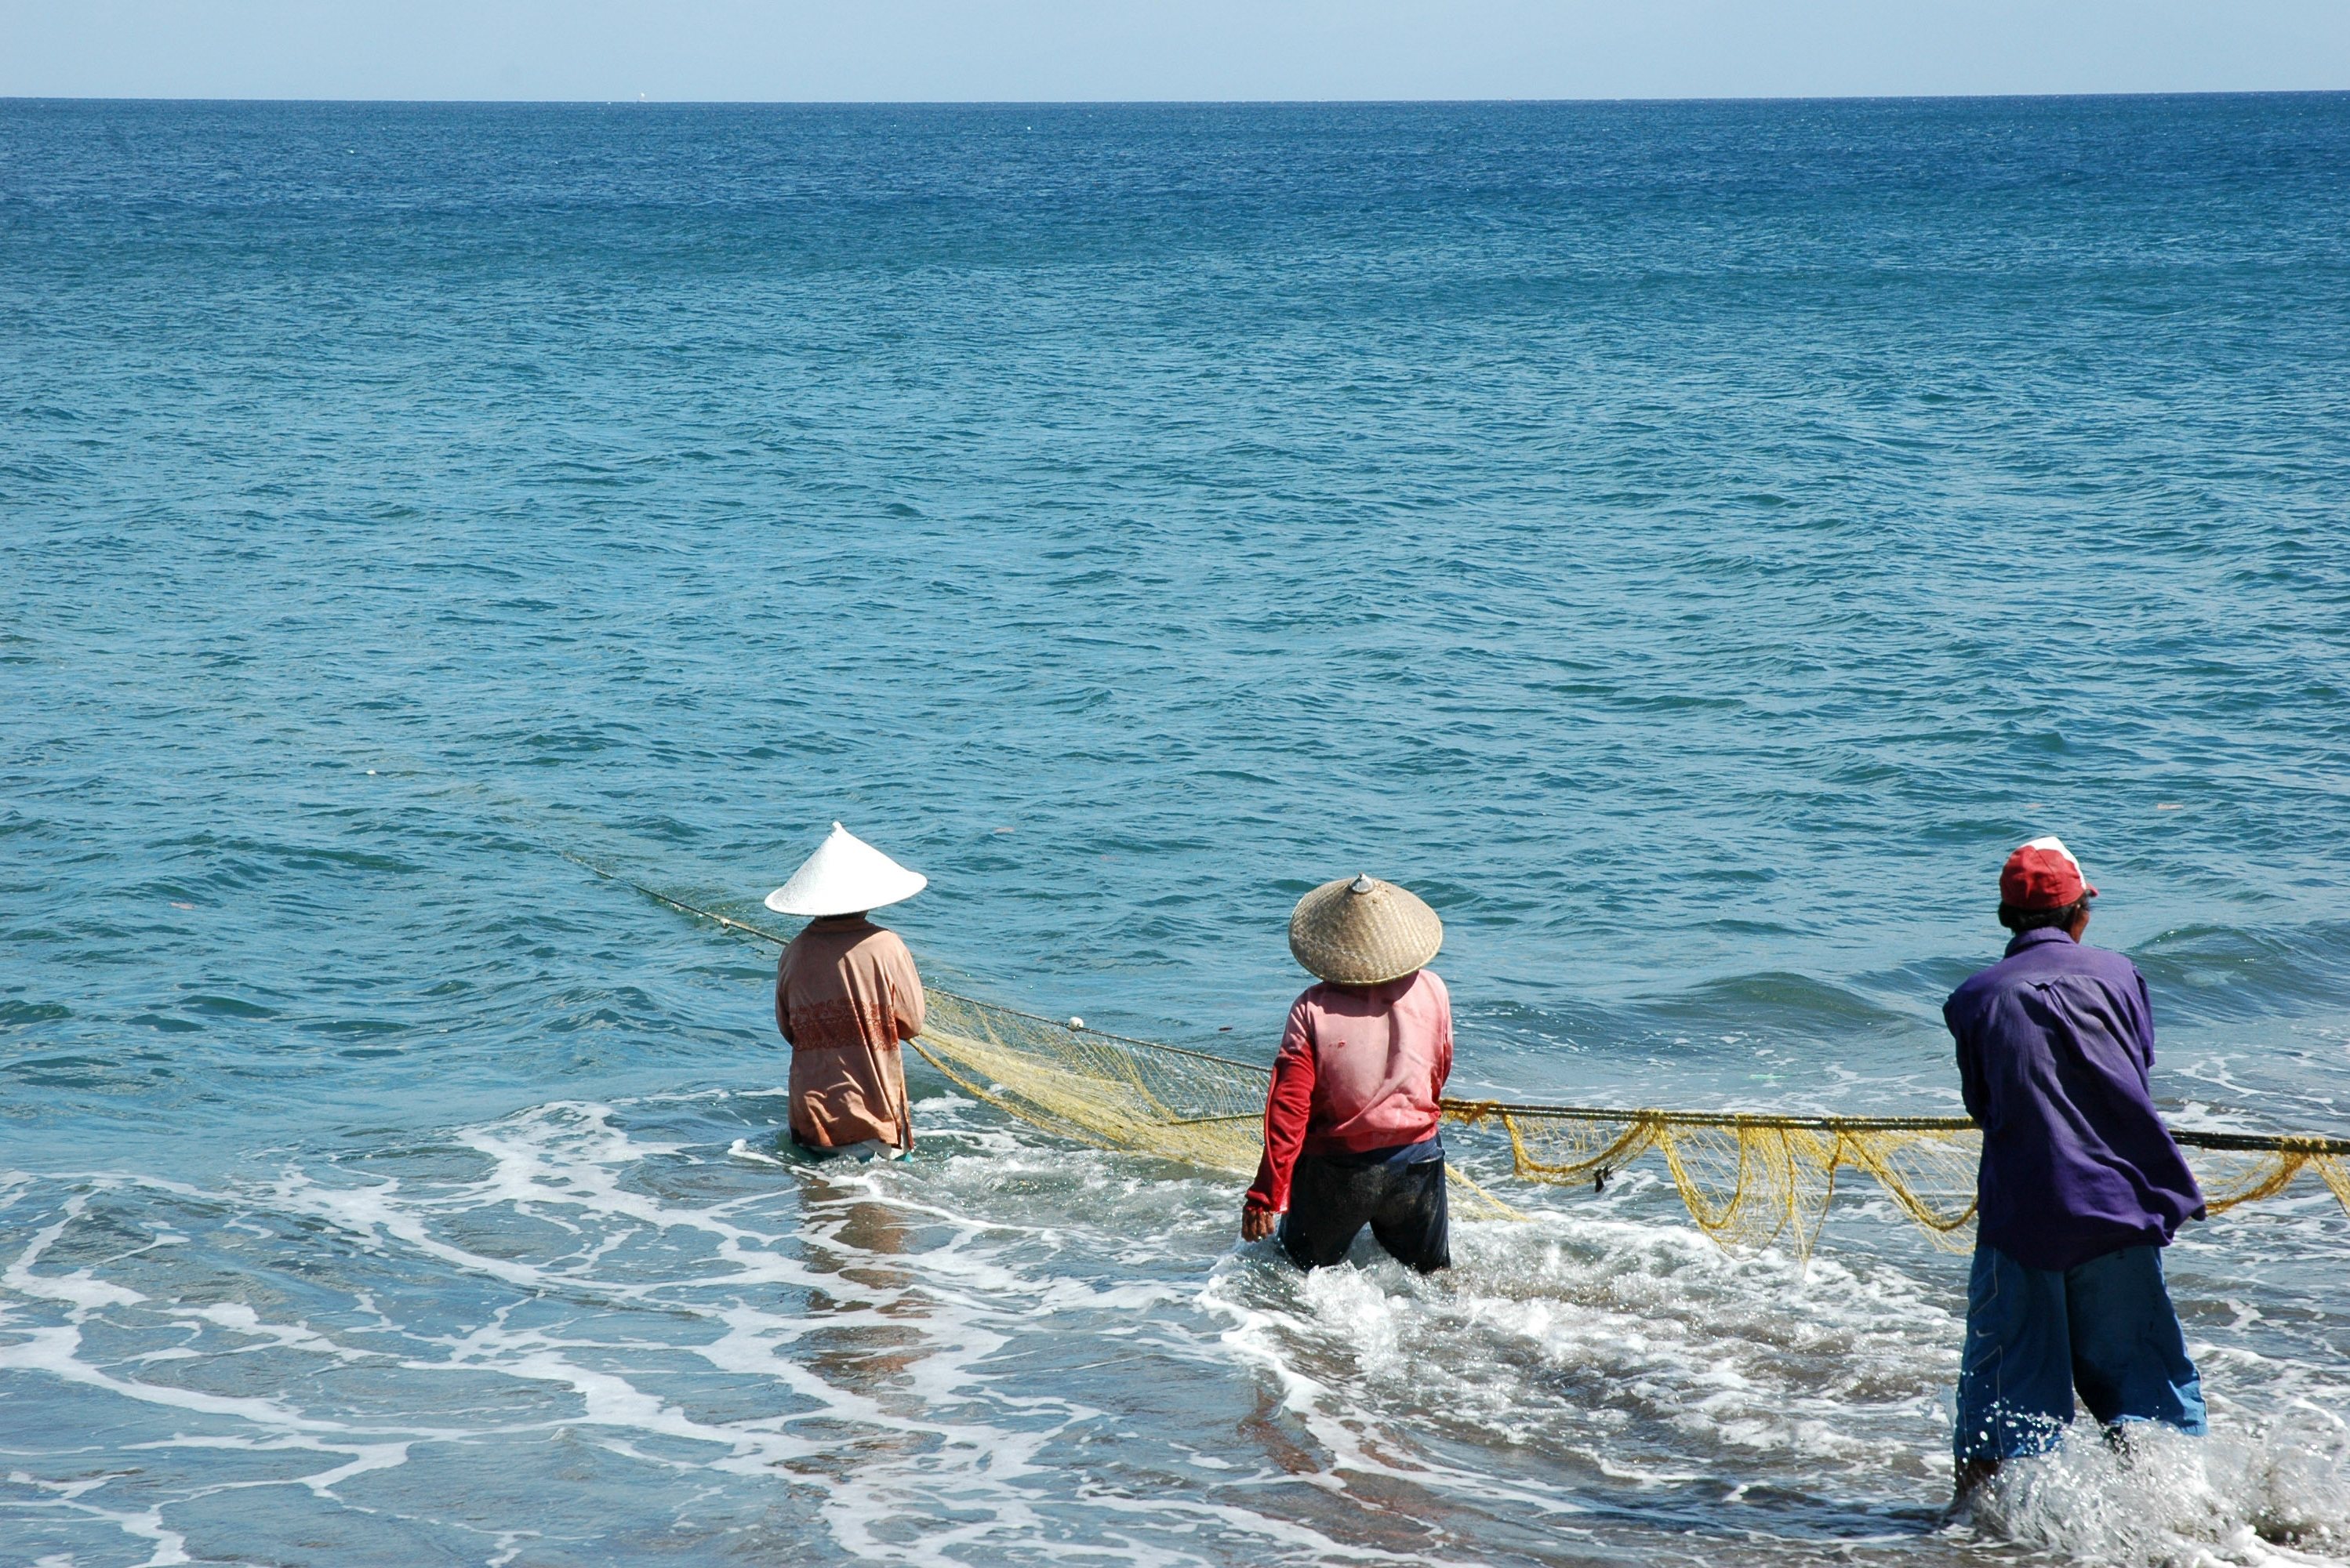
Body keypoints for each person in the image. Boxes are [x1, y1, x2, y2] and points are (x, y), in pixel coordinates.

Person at [1944, 835, 2207, 1500]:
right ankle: (2177, 1517)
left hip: (2026, 1218)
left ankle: (1975, 1528)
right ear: (2079, 912)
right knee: (2148, 1395)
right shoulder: (2120, 975)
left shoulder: (1972, 999)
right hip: (2123, 1204)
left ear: (2006, 919)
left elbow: (1984, 1106)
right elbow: (2135, 1068)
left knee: (2002, 1401)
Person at [1240, 874, 1454, 1273]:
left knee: (1297, 1278)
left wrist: (1265, 1196)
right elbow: (1438, 1071)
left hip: (1339, 1172)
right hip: (1419, 1163)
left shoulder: (1311, 1009)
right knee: (1430, 1281)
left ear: (1334, 945)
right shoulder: (1435, 989)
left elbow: (1289, 1111)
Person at [768, 822, 929, 1160]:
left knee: (820, 1209)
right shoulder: (887, 946)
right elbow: (912, 1024)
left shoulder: (793, 952)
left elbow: (789, 1030)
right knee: (882, 1209)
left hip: (812, 1119)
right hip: (875, 1116)